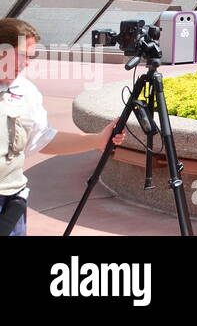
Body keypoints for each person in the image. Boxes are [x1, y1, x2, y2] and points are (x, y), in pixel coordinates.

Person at [1, 19, 125, 236]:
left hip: (10, 204)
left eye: (30, 57)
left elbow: (44, 139)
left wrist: (97, 140)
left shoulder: (26, 92)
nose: (27, 64)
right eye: (23, 56)